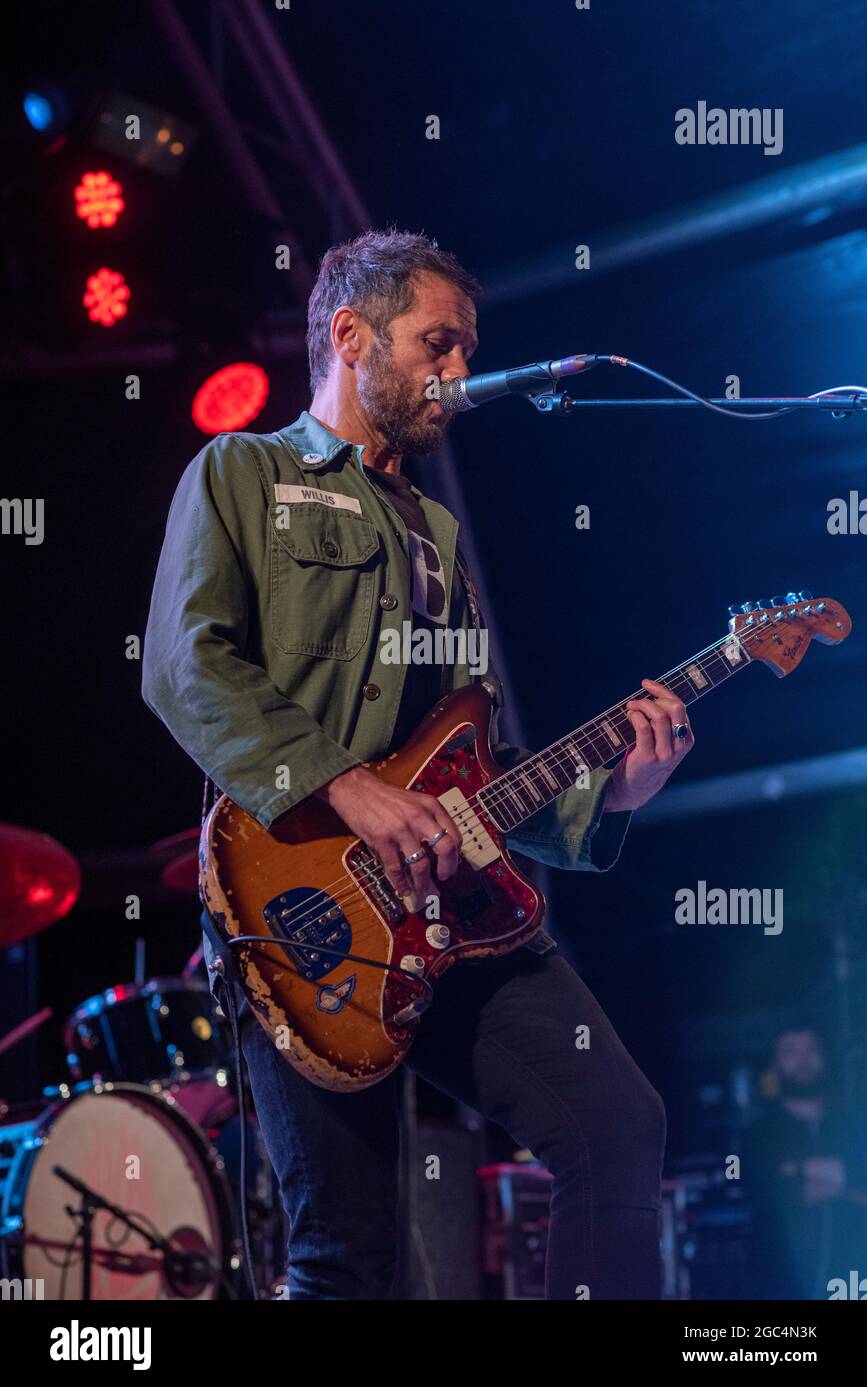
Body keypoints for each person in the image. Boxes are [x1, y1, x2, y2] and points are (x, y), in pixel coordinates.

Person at [142, 228, 694, 1299]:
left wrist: (609, 793)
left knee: (619, 1127)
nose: (461, 372)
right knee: (351, 1258)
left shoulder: (439, 530)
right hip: (305, 905)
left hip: (448, 909)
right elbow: (184, 665)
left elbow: (470, 766)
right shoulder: (242, 474)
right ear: (350, 336)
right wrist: (346, 786)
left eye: (467, 348)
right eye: (438, 344)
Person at [743, 1026, 867, 1298]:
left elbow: (862, 1176)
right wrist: (846, 1189)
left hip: (853, 1277)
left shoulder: (853, 1124)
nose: (803, 1060)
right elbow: (765, 1195)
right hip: (779, 1281)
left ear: (825, 1057)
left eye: (811, 1050)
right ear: (774, 1065)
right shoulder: (757, 1134)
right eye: (791, 1052)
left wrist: (796, 1168)